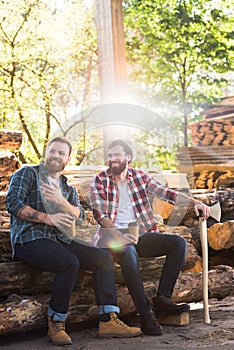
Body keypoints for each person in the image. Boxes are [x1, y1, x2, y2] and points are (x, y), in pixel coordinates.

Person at [6, 136, 142, 346]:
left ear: (67, 159)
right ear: (46, 153)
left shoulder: (67, 188)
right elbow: (13, 202)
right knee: (69, 261)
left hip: (60, 239)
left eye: (61, 153)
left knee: (103, 258)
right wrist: (47, 218)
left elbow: (78, 217)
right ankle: (57, 322)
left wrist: (62, 202)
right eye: (53, 151)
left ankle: (108, 321)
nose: (56, 155)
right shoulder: (27, 173)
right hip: (29, 239)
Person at [89, 139, 210, 336]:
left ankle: (162, 299)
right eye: (110, 156)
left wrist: (194, 202)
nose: (112, 159)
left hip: (139, 235)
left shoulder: (139, 177)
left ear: (128, 157)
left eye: (117, 155)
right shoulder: (100, 180)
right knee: (128, 252)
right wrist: (120, 236)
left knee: (177, 243)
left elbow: (167, 193)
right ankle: (146, 313)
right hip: (110, 238)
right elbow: (99, 214)